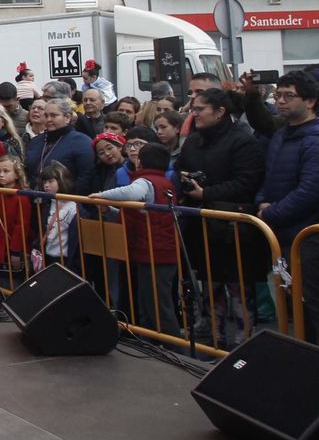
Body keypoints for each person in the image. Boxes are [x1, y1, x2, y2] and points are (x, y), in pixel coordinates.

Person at [253, 71, 319, 348]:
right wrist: (262, 202)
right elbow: (270, 176)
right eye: (277, 95)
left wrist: (270, 213)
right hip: (283, 228)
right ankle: (301, 350)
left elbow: (312, 192)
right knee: (291, 294)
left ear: (310, 101)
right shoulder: (283, 133)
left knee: (315, 296)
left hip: (311, 231)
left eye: (288, 96)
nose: (280, 101)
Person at [174, 88, 267, 348]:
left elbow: (248, 181)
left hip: (233, 228)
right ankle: (212, 340)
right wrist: (186, 182)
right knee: (209, 287)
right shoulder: (193, 140)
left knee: (238, 288)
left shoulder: (243, 141)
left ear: (220, 111)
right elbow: (181, 166)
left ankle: (245, 344)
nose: (194, 114)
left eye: (199, 109)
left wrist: (207, 192)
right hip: (200, 226)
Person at [96, 143, 181, 336]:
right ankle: (151, 339)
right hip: (152, 250)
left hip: (155, 251)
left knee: (158, 304)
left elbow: (131, 193)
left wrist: (102, 196)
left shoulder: (146, 181)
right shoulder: (162, 182)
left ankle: (172, 345)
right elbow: (137, 214)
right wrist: (110, 210)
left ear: (140, 161)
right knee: (148, 301)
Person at [0, 155, 34, 293]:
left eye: (6, 171)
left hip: (12, 250)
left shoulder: (21, 197)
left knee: (15, 285)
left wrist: (15, 251)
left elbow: (21, 226)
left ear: (17, 174)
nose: (1, 175)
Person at [24, 97, 96, 191]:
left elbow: (85, 177)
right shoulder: (35, 142)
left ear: (67, 118)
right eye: (46, 115)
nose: (49, 119)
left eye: (53, 115)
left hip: (68, 200)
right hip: (37, 199)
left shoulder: (81, 142)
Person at [37, 163, 78, 267]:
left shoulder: (72, 207)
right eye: (44, 182)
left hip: (64, 258)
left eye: (50, 181)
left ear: (62, 181)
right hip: (48, 256)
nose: (46, 185)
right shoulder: (47, 204)